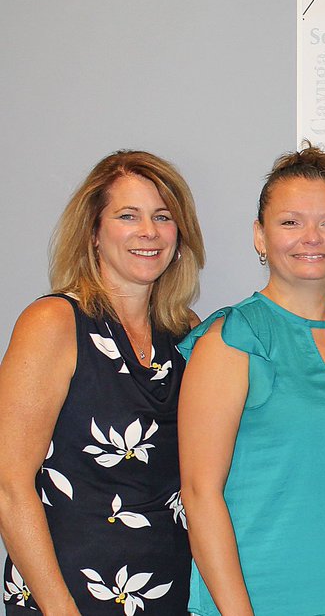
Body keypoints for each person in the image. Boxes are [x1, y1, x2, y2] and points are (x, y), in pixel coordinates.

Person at [178, 144, 325, 616]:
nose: (312, 237)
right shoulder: (232, 338)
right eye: (290, 222)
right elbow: (200, 495)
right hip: (255, 605)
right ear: (260, 237)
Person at [0, 151, 205, 614]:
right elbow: (9, 486)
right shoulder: (53, 322)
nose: (148, 232)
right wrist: (59, 609)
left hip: (171, 591)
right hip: (72, 595)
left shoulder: (186, 331)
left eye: (163, 217)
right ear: (94, 232)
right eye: (128, 216)